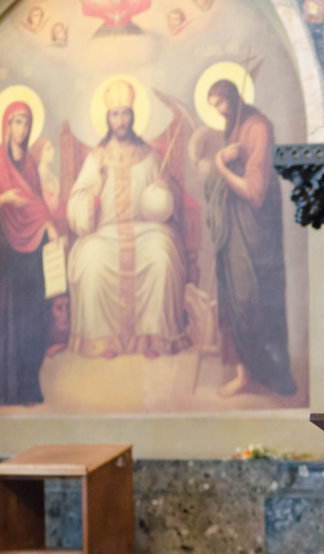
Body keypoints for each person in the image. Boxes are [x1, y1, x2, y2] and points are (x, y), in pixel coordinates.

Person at [66, 79, 188, 359]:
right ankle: (103, 340)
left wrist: (164, 189)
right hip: (104, 233)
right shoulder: (96, 159)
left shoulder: (149, 156)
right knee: (91, 263)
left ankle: (155, 338)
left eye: (125, 114)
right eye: (115, 114)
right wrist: (93, 194)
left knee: (162, 257)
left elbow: (168, 200)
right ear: (107, 118)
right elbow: (76, 201)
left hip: (147, 231)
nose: (120, 121)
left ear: (133, 116)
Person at [205, 79, 296, 398]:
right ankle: (244, 374)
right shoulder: (232, 131)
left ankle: (269, 374)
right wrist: (221, 161)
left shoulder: (258, 127)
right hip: (234, 233)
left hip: (257, 235)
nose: (219, 111)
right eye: (213, 106)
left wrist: (220, 165)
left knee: (254, 301)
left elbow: (254, 192)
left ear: (234, 98)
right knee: (234, 300)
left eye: (221, 103)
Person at [0, 101, 55, 405]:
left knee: (33, 315)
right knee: (7, 316)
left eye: (26, 123)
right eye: (17, 122)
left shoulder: (30, 164)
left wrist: (48, 224)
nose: (22, 129)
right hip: (5, 248)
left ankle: (27, 388)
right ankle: (5, 390)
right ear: (7, 125)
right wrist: (4, 199)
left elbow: (37, 203)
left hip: (32, 246)